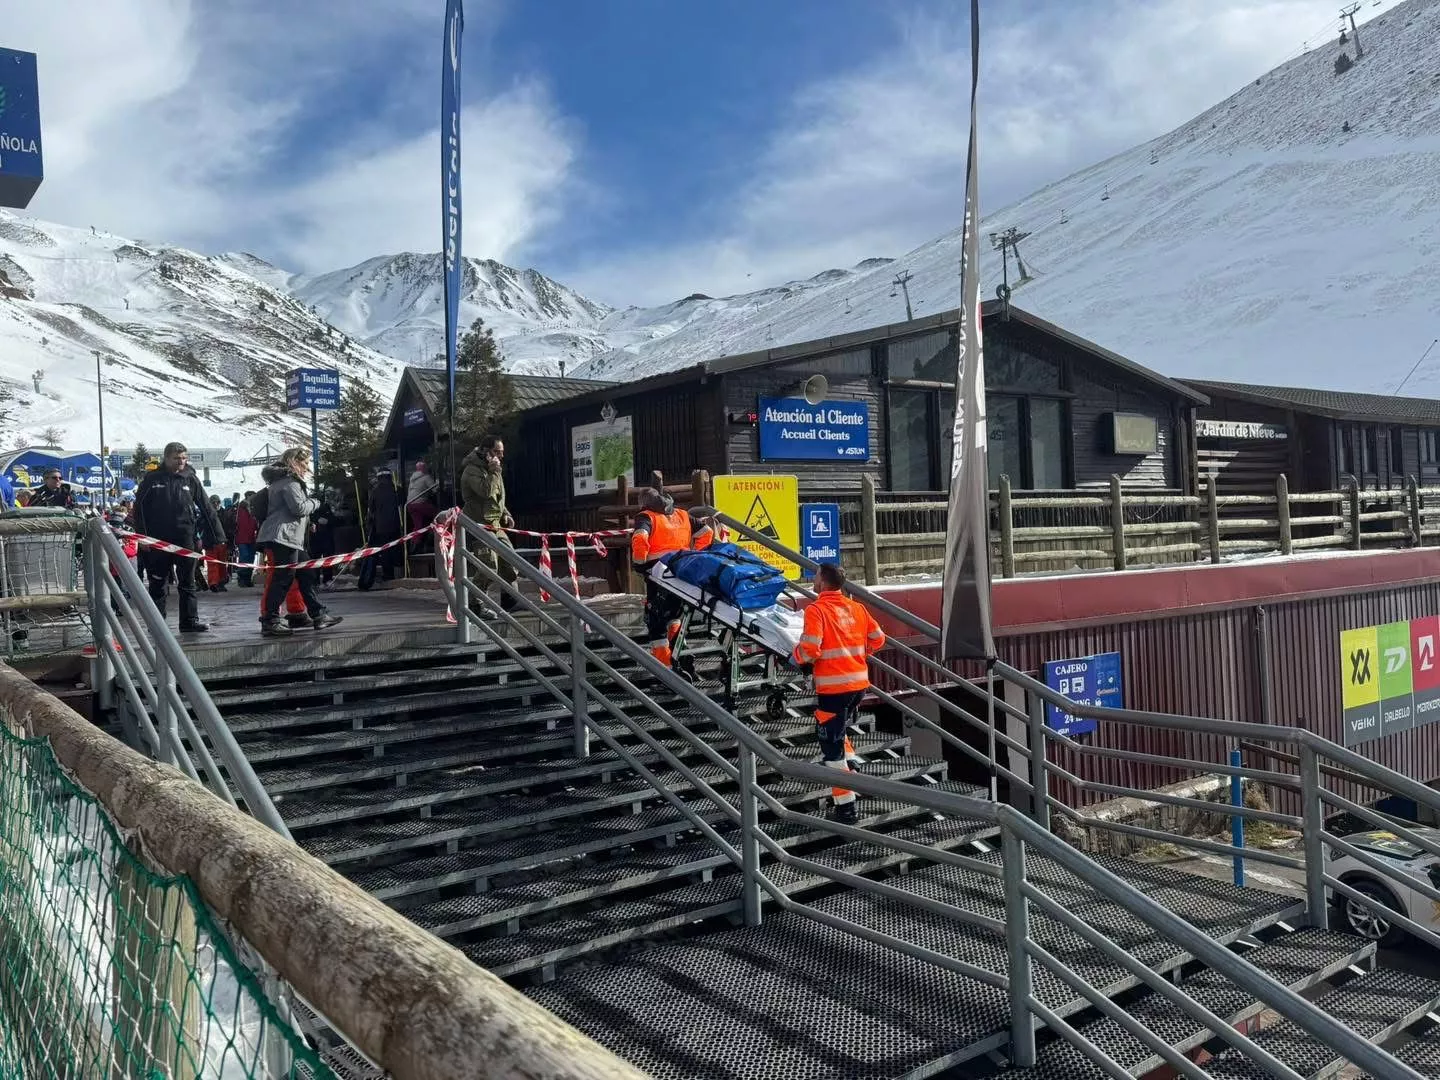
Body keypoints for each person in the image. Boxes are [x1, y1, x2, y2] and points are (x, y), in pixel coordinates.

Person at [792, 564, 885, 825]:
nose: (813, 580)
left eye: (816, 577)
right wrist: (856, 655)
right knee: (838, 728)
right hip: (858, 685)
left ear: (823, 582)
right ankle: (851, 762)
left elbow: (810, 648)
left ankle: (846, 808)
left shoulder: (817, 610)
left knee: (831, 754)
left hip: (834, 689)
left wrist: (797, 658)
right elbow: (878, 639)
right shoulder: (857, 608)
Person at [133, 442, 224, 633]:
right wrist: (142, 537)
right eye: (176, 458)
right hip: (158, 539)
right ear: (166, 458)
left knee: (188, 582)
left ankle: (189, 622)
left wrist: (218, 535)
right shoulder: (152, 478)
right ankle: (156, 624)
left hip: (185, 538)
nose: (181, 462)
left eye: (184, 458)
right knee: (158, 582)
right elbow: (139, 509)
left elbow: (206, 508)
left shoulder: (190, 478)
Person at [255, 448, 341, 637]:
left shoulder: (281, 481)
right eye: (305, 463)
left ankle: (318, 613)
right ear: (296, 463)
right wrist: (316, 502)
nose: (307, 468)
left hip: (289, 537)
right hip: (283, 537)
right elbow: (299, 508)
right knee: (283, 578)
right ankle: (270, 620)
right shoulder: (290, 482)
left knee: (306, 573)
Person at [629, 486, 713, 667]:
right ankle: (681, 656)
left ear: (643, 504)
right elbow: (707, 532)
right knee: (674, 614)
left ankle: (666, 669)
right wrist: (695, 557)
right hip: (682, 572)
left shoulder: (647, 517)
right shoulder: (682, 514)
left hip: (658, 573)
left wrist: (639, 563)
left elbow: (640, 538)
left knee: (656, 620)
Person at [460, 436, 520, 612]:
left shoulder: (495, 469)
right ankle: (474, 603)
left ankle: (510, 601)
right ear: (486, 451)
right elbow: (486, 492)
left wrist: (506, 513)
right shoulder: (472, 470)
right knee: (489, 566)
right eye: (497, 452)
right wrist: (494, 472)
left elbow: (497, 496)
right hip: (478, 524)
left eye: (502, 454)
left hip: (495, 523)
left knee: (510, 562)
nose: (500, 457)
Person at [364, 468, 402, 583]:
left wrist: (369, 526)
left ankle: (388, 574)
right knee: (397, 548)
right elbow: (402, 502)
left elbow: (371, 509)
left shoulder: (375, 491)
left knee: (385, 551)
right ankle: (400, 572)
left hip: (381, 527)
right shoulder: (397, 489)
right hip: (396, 524)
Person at [405, 461, 439, 554]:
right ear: (424, 468)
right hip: (420, 503)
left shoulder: (412, 479)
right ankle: (434, 533)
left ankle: (414, 546)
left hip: (410, 505)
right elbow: (435, 489)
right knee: (438, 514)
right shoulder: (426, 477)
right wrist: (438, 482)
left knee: (418, 525)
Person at [205, 496, 230, 592]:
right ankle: (213, 583)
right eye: (213, 502)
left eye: (217, 502)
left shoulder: (224, 514)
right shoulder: (206, 514)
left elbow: (229, 529)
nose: (216, 504)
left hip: (222, 542)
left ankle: (221, 582)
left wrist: (230, 544)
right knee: (212, 564)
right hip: (210, 543)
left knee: (222, 565)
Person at [234, 492, 259, 587]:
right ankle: (242, 579)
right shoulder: (241, 508)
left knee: (250, 559)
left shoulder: (254, 509)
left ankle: (247, 579)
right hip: (242, 538)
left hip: (251, 538)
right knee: (244, 558)